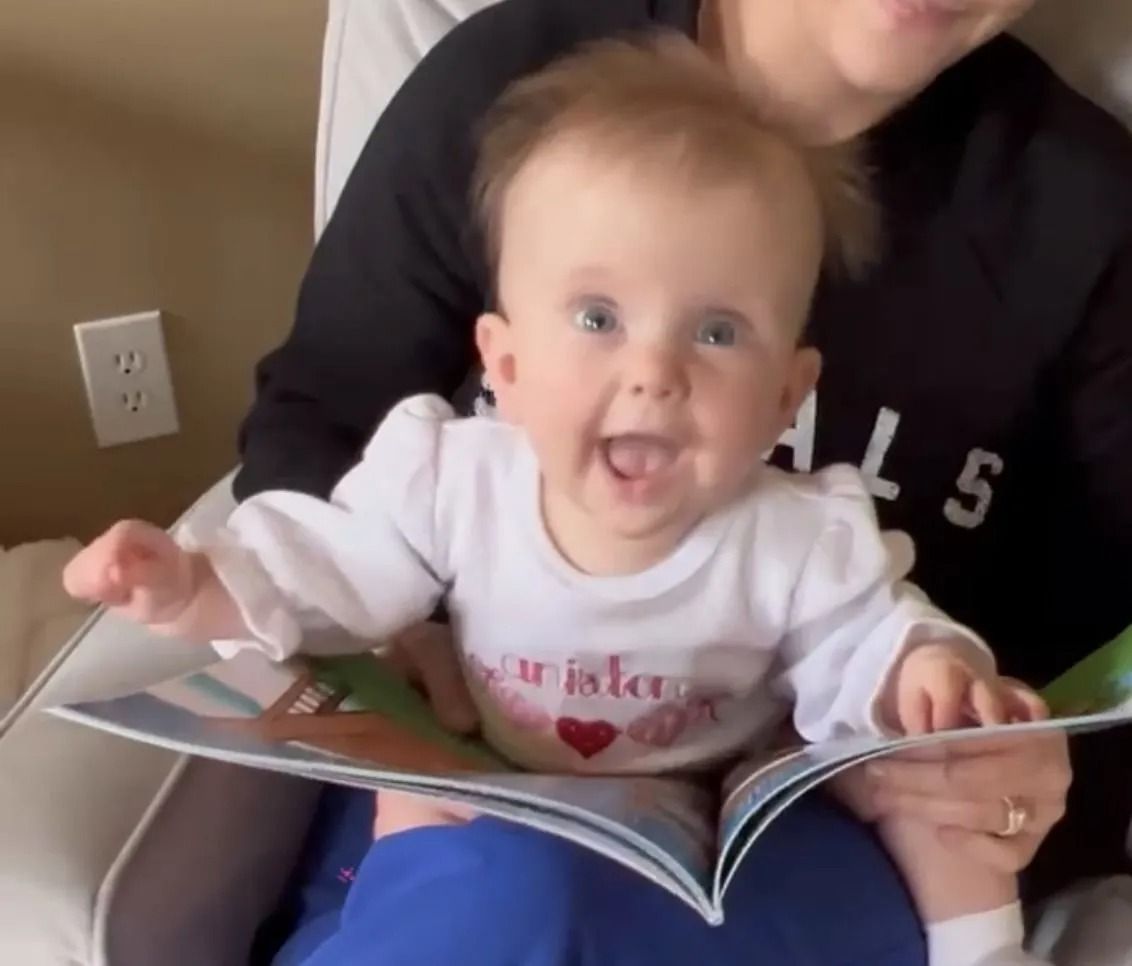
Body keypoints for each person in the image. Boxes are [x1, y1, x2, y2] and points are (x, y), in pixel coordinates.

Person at [68, 37, 1067, 966]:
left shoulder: (801, 536)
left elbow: (873, 643)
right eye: (598, 317)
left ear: (784, 396)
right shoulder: (451, 478)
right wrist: (191, 583)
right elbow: (317, 570)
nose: (654, 372)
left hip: (719, 815)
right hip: (515, 792)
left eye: (717, 333)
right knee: (445, 850)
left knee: (937, 791)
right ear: (502, 361)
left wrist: (930, 675)